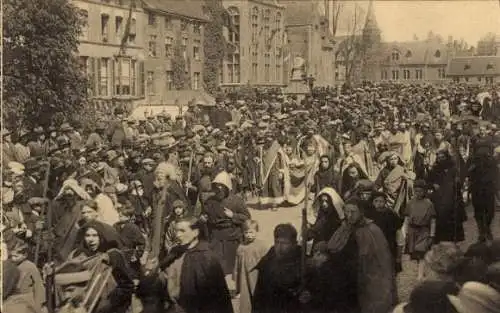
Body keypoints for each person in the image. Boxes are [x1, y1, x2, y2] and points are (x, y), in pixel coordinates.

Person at [327, 197, 397, 313]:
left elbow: (382, 260)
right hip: (344, 278)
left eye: (353, 212)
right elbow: (333, 247)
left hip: (364, 277)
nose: (349, 215)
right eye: (347, 212)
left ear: (361, 212)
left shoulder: (372, 230)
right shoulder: (344, 228)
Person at [158, 216, 233, 313]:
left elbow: (219, 297)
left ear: (195, 232)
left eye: (182, 231)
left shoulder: (207, 257)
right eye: (176, 231)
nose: (178, 235)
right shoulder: (175, 253)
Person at [252, 224, 303, 313]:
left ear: (294, 244)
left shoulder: (303, 261)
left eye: (285, 243)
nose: (279, 247)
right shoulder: (268, 260)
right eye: (277, 242)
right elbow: (259, 293)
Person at [404, 179, 437, 280]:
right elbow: (407, 218)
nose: (418, 193)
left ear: (424, 191)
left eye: (420, 191)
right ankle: (421, 270)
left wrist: (432, 234)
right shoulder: (410, 203)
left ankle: (420, 274)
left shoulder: (429, 204)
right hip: (412, 230)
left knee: (421, 251)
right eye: (416, 191)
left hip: (424, 230)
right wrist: (405, 232)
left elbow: (432, 220)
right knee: (416, 253)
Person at [233, 220, 269, 313]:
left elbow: (268, 265)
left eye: (251, 232)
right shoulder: (241, 247)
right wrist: (237, 286)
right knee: (246, 302)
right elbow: (237, 266)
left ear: (257, 231)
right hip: (244, 279)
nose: (249, 235)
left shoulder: (262, 246)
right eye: (246, 232)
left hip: (257, 278)